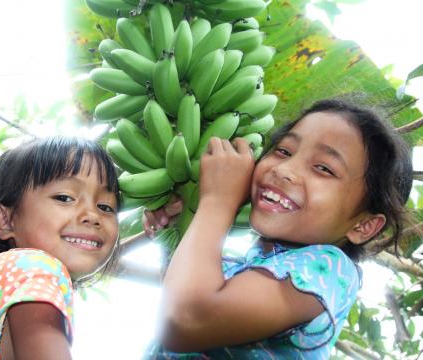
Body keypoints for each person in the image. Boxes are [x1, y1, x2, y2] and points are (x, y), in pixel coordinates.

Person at [144, 99, 415, 359]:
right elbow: (180, 294)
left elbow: (185, 319)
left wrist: (217, 201)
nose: (285, 170)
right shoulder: (247, 265)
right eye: (283, 151)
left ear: (364, 225)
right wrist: (174, 231)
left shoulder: (328, 269)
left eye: (323, 168)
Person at [0, 136, 120, 359]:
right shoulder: (38, 265)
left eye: (105, 206)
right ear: (6, 220)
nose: (93, 216)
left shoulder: (4, 278)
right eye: (65, 197)